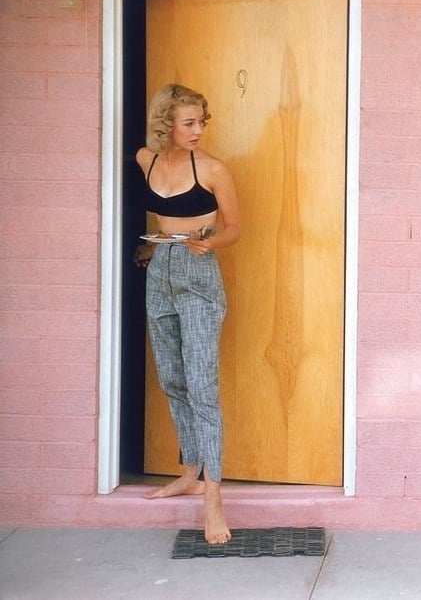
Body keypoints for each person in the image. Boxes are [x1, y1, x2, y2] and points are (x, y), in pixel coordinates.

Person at [133, 84, 241, 543]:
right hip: (160, 271)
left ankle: (213, 497)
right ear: (166, 125)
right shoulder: (147, 160)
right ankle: (188, 472)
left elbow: (235, 227)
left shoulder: (214, 169)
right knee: (172, 379)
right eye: (188, 123)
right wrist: (146, 247)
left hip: (197, 273)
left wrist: (211, 241)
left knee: (201, 384)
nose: (198, 131)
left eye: (202, 122)